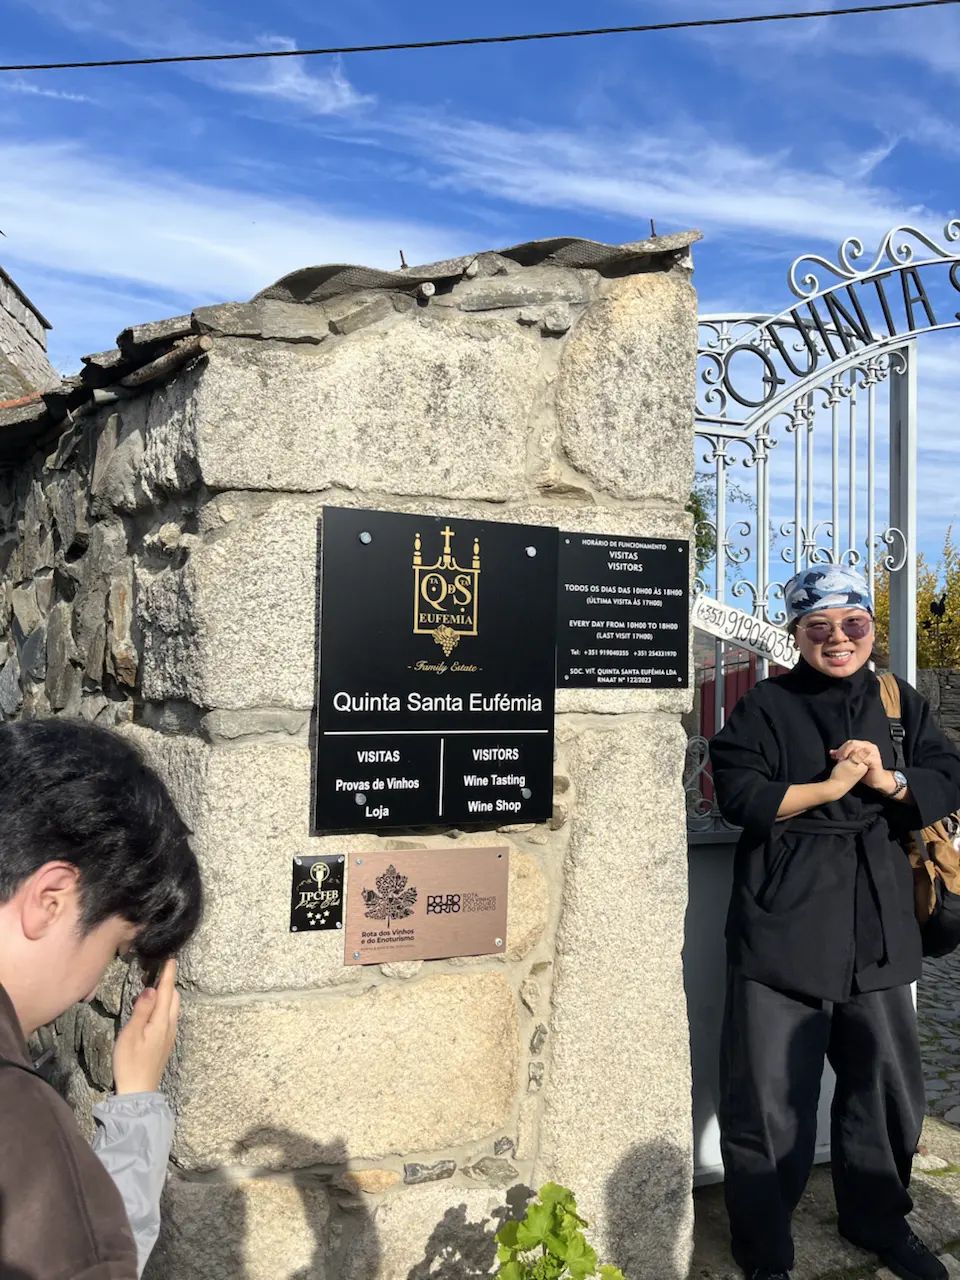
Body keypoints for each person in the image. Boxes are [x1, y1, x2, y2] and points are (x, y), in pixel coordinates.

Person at [710, 565, 960, 1280]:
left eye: (854, 623)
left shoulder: (898, 701)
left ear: (872, 629)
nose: (838, 638)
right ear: (796, 634)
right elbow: (738, 794)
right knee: (768, 1100)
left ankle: (878, 1220)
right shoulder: (764, 705)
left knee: (886, 1089)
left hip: (878, 917)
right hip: (784, 920)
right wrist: (829, 787)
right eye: (818, 626)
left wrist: (889, 781)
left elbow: (948, 774)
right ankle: (764, 1252)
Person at [0, 718, 202, 1279]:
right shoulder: (17, 1118)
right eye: (114, 949)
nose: (92, 989)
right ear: (51, 899)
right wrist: (138, 1110)